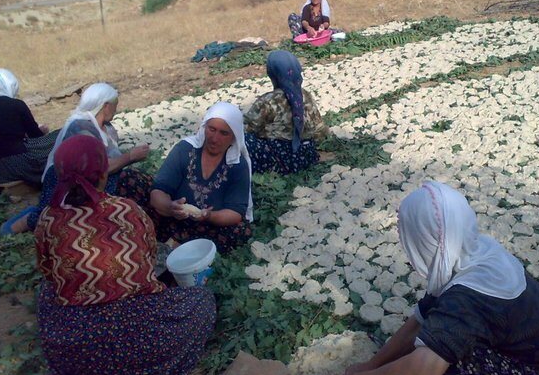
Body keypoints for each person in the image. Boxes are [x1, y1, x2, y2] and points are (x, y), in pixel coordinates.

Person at [308, 182, 539, 375]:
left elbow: (421, 372)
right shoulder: (474, 251)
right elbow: (421, 318)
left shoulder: (468, 296)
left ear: (427, 239)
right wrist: (371, 366)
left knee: (447, 366)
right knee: (434, 337)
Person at [35, 135, 216, 375]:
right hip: (142, 338)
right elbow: (148, 267)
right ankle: (151, 371)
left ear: (59, 173)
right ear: (102, 172)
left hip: (80, 349)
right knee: (201, 301)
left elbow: (48, 272)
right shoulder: (127, 211)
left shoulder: (48, 219)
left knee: (44, 294)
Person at [27, 82, 153, 231]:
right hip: (72, 181)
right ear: (106, 106)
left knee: (139, 181)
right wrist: (130, 156)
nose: (116, 109)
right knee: (50, 217)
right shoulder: (80, 128)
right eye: (115, 104)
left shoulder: (108, 129)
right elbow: (94, 167)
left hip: (100, 178)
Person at [151, 102, 253, 252]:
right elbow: (158, 192)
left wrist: (209, 216)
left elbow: (235, 213)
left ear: (233, 138)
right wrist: (170, 207)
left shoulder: (237, 166)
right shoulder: (185, 150)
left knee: (241, 231)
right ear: (204, 127)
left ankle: (180, 246)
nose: (215, 138)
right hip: (173, 219)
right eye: (212, 129)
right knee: (135, 186)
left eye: (224, 133)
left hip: (209, 228)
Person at [244, 50, 329, 175]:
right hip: (305, 155)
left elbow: (250, 128)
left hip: (280, 159)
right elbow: (319, 129)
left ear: (273, 75)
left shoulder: (268, 101)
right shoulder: (305, 96)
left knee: (244, 140)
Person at [0, 69, 58, 187]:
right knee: (59, 134)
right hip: (13, 165)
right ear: (10, 85)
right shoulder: (17, 105)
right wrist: (42, 131)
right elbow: (36, 136)